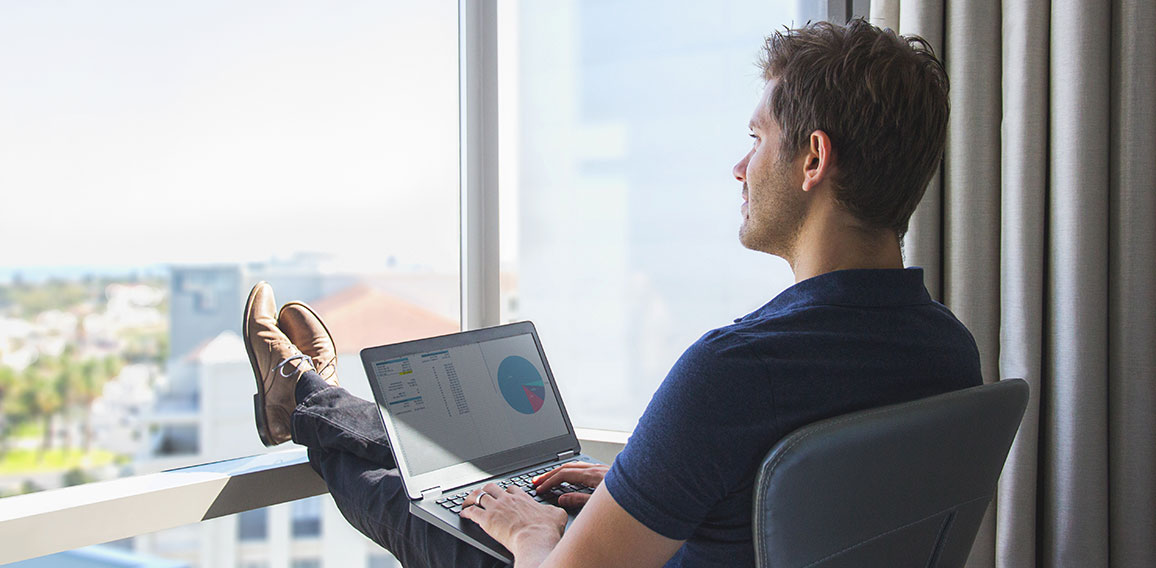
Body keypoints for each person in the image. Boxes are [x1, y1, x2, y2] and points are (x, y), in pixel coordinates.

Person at [241, 19, 980, 568]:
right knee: (474, 477)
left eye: (757, 137)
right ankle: (308, 395)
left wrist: (536, 534)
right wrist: (652, 484)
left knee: (420, 506)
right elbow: (811, 505)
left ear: (812, 158)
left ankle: (298, 395)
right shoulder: (947, 350)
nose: (740, 166)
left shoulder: (738, 370)